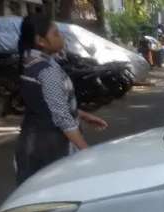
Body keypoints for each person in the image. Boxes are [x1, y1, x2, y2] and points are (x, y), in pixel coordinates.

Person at [14, 14, 107, 184]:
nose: (61, 37)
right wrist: (86, 151)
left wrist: (83, 115)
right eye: (55, 34)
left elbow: (48, 103)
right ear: (40, 41)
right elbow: (62, 117)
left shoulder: (30, 62)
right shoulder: (47, 71)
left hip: (32, 143)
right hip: (48, 148)